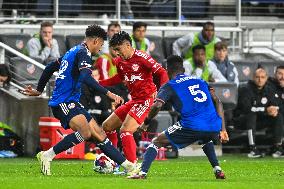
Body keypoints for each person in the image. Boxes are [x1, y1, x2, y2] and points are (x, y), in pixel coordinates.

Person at [22, 25, 136, 176]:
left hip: (72, 102)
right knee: (85, 132)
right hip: (63, 102)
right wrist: (108, 93)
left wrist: (39, 89)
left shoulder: (74, 51)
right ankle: (47, 155)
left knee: (99, 134)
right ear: (95, 41)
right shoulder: (83, 53)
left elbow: (50, 67)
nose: (100, 49)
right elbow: (85, 77)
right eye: (101, 45)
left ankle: (129, 166)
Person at [127, 55, 229, 179]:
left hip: (192, 125)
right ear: (183, 69)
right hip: (214, 125)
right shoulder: (201, 81)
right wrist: (223, 129)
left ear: (167, 70)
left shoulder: (170, 85)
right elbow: (218, 101)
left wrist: (146, 123)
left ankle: (142, 173)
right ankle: (218, 170)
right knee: (206, 139)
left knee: (156, 142)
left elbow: (157, 105)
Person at [99, 31, 169, 163]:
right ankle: (112, 160)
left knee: (125, 130)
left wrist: (162, 95)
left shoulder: (142, 57)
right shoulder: (120, 61)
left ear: (127, 45)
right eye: (114, 50)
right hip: (135, 101)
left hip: (146, 100)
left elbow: (162, 73)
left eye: (118, 49)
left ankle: (133, 166)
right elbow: (120, 77)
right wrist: (99, 83)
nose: (117, 53)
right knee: (107, 126)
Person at [232, 67, 284, 158]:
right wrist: (265, 110)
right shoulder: (246, 89)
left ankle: (277, 147)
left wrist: (273, 110)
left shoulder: (268, 89)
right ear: (253, 77)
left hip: (259, 120)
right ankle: (252, 148)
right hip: (242, 121)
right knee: (251, 115)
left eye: (262, 77)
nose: (260, 80)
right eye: (257, 77)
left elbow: (275, 104)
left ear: (266, 78)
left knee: (278, 115)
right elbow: (247, 109)